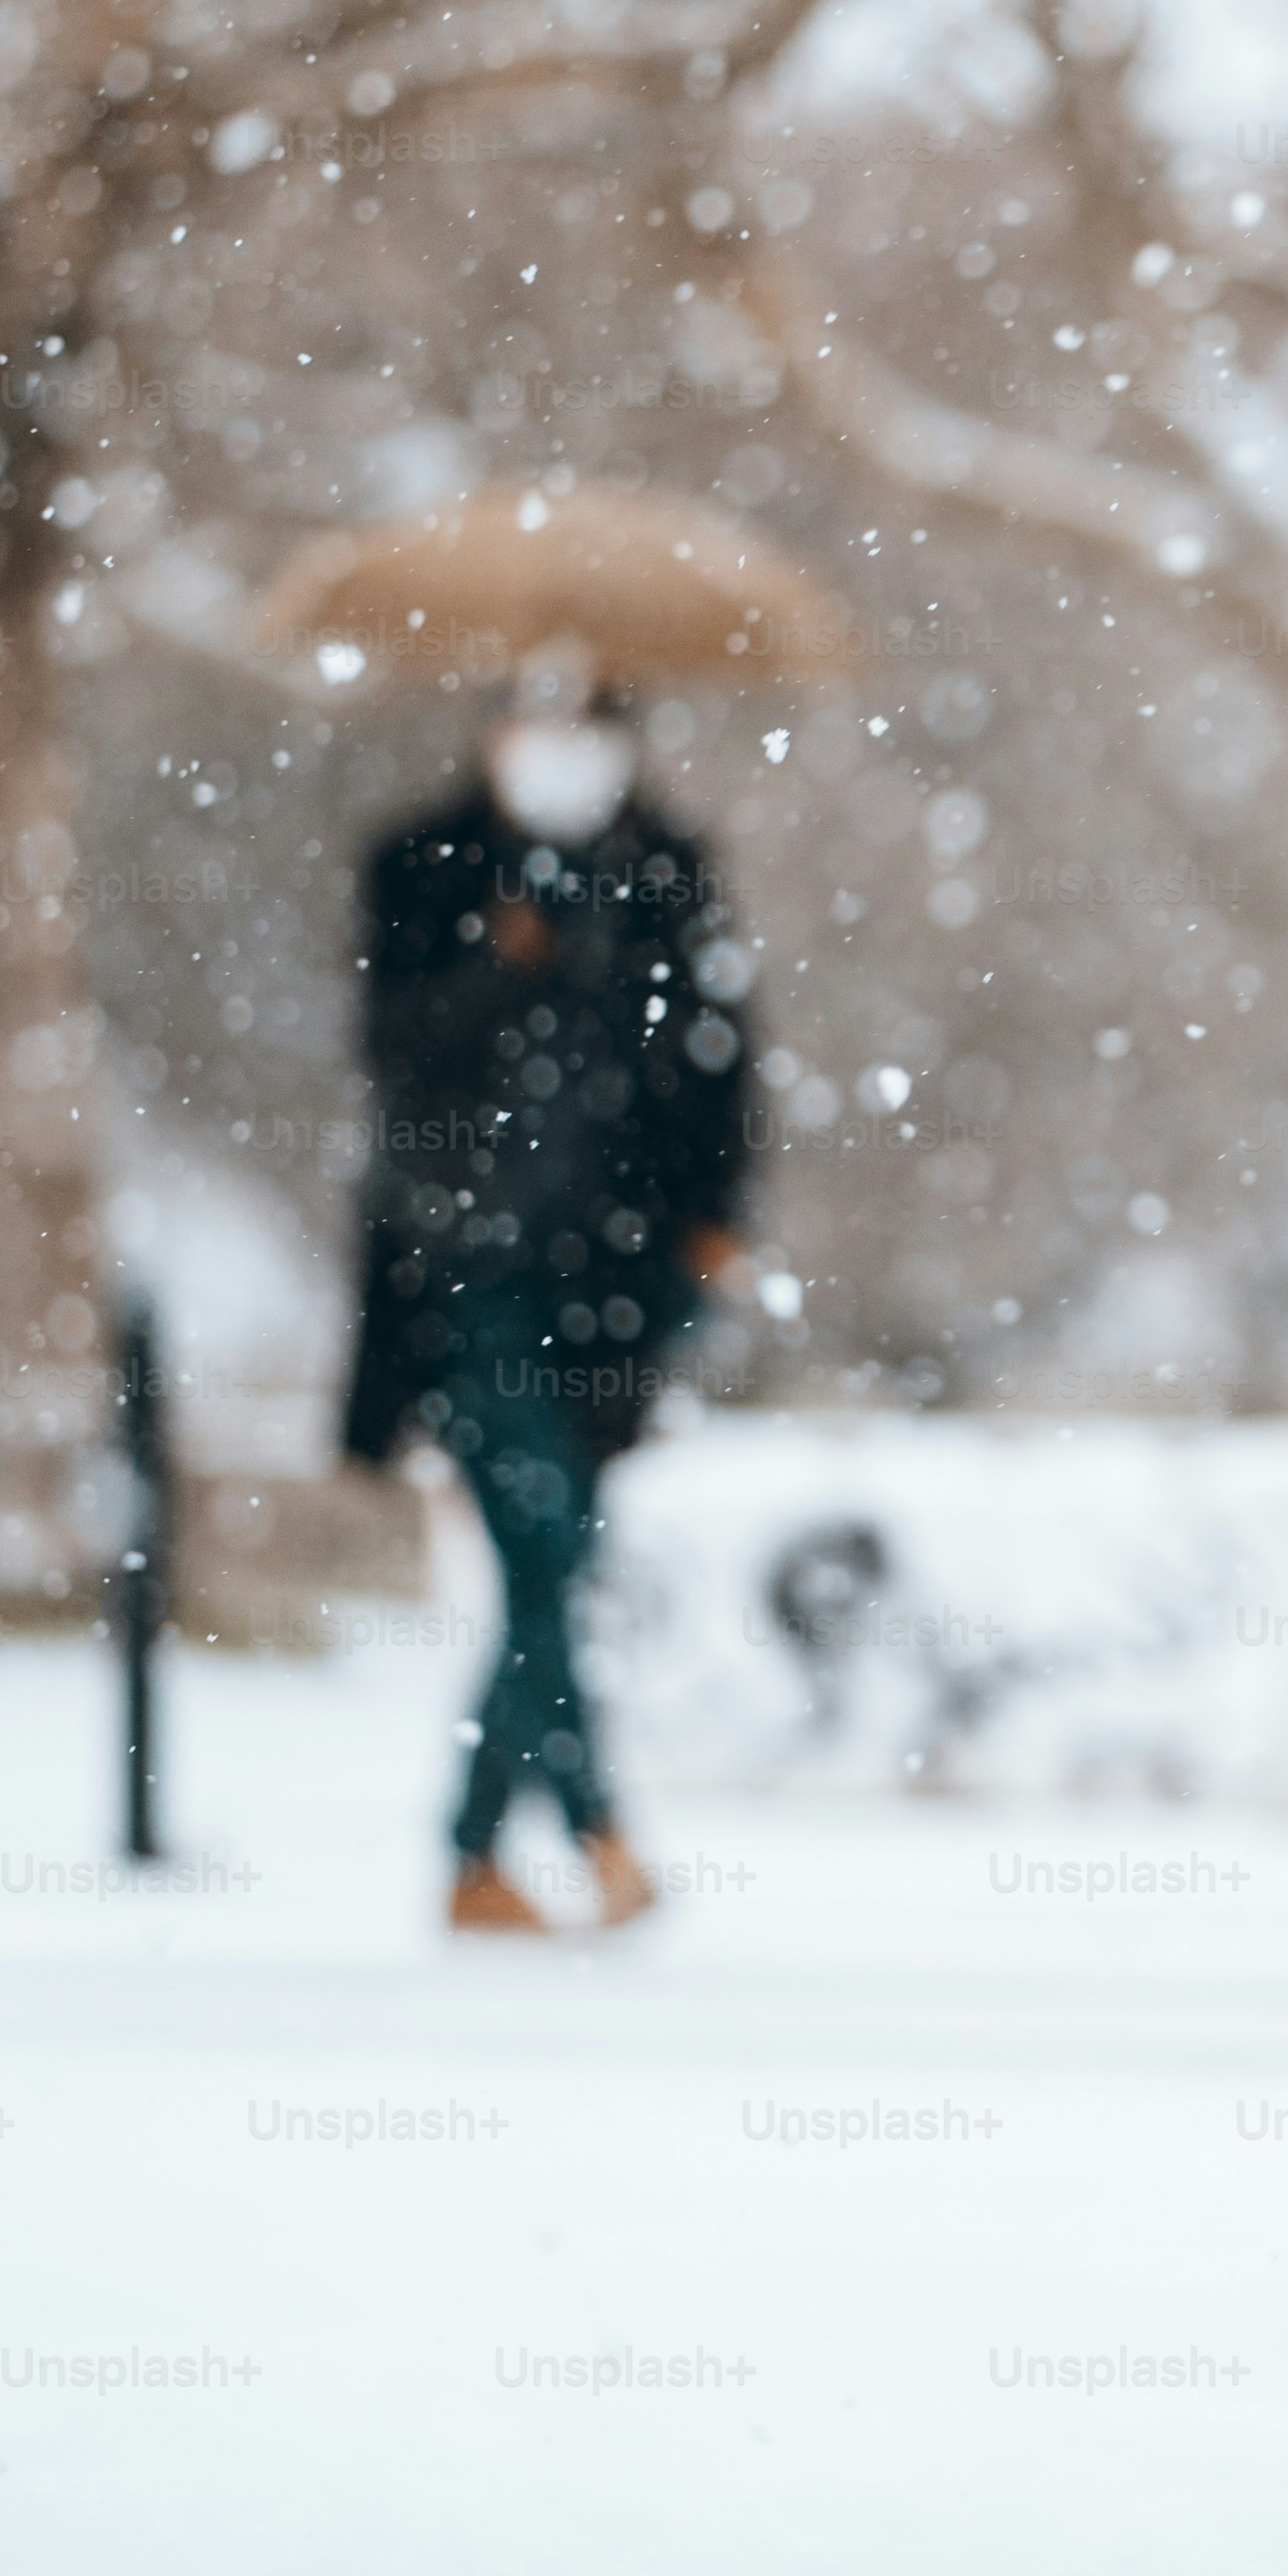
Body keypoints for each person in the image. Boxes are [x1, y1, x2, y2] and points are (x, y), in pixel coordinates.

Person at [341, 678, 760, 1937]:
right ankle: (589, 1827)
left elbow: (717, 1066)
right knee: (546, 1538)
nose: (563, 757)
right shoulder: (423, 866)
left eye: (587, 732)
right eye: (539, 728)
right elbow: (397, 1055)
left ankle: (480, 1850)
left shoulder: (667, 873)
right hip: (458, 1270)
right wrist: (498, 960)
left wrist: (711, 1229)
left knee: (553, 1553)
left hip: (619, 1277)